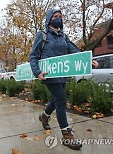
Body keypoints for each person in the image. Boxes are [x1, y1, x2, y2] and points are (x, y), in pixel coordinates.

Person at [29, 8, 98, 150]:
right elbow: (33, 56)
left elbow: (74, 51)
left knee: (55, 100)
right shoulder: (42, 36)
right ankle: (66, 136)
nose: (58, 18)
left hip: (63, 75)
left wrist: (88, 60)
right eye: (55, 16)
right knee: (61, 100)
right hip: (49, 75)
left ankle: (44, 116)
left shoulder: (63, 37)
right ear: (49, 19)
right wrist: (37, 73)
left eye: (60, 16)